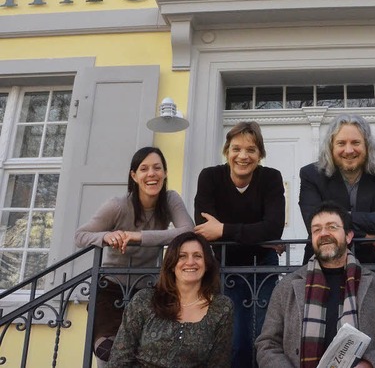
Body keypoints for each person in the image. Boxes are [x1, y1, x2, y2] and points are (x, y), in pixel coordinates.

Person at [255, 201, 375, 368]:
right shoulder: (287, 287)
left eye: (332, 227)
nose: (323, 234)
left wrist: (369, 365)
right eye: (316, 229)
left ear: (348, 236)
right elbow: (267, 345)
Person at [75, 146, 194, 366]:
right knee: (108, 351)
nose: (152, 174)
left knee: (149, 352)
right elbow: (81, 235)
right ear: (134, 175)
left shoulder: (169, 200)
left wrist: (137, 237)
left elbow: (188, 231)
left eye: (157, 168)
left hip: (147, 289)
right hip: (110, 288)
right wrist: (107, 236)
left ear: (165, 173)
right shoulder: (118, 205)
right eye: (144, 169)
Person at [194, 121, 285, 368]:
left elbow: (274, 227)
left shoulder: (271, 178)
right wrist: (258, 237)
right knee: (236, 340)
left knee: (264, 336)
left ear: (260, 154)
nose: (243, 156)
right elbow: (203, 230)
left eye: (251, 150)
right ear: (227, 151)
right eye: (236, 149)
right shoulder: (210, 177)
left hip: (264, 268)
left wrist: (223, 229)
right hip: (226, 268)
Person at [106, 232, 234, 368]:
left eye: (197, 256)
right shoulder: (144, 300)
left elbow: (219, 363)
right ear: (172, 264)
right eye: (182, 256)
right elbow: (120, 359)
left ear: (207, 264)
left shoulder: (221, 307)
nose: (190, 262)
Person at [299, 114, 375, 265]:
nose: (349, 150)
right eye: (341, 143)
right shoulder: (311, 175)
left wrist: (341, 218)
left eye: (356, 142)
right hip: (322, 265)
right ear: (331, 147)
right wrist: (371, 238)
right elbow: (314, 223)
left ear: (367, 146)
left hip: (372, 267)